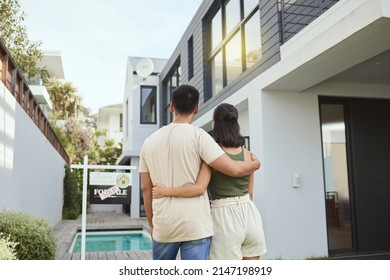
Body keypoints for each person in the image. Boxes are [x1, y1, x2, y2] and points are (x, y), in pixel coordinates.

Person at [139, 85, 261, 260]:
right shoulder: (200, 137)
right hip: (196, 226)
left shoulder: (148, 143)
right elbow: (234, 169)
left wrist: (152, 225)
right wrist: (255, 164)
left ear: (172, 106)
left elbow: (146, 190)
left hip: (164, 224)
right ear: (196, 108)